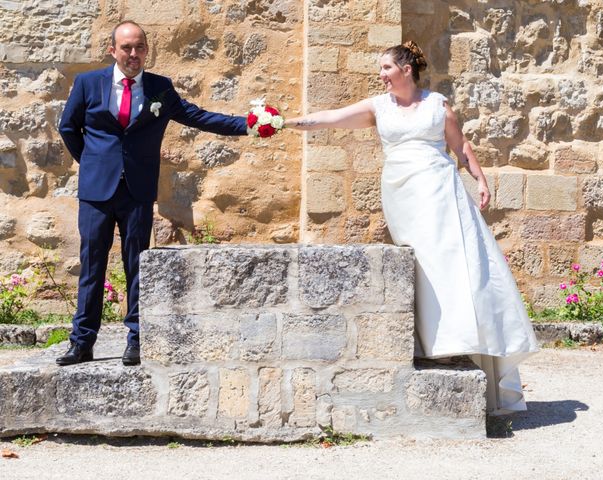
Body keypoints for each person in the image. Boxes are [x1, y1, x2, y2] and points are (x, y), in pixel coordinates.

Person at [285, 41, 539, 414]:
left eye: (387, 67)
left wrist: (480, 180)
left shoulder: (438, 106)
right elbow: (332, 118)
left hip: (440, 191)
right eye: (381, 69)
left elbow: (461, 146)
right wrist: (288, 123)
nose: (382, 75)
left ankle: (455, 343)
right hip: (403, 195)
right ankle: (429, 343)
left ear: (406, 69)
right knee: (419, 264)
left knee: (449, 261)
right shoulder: (377, 106)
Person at [56, 21, 249, 366]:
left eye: (139, 47)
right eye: (126, 48)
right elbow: (68, 127)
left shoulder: (160, 88)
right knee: (92, 266)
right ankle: (82, 341)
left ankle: (137, 338)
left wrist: (247, 125)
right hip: (97, 191)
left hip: (138, 190)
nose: (133, 54)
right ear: (112, 50)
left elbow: (198, 116)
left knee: (137, 265)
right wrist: (90, 161)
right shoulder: (88, 83)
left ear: (146, 50)